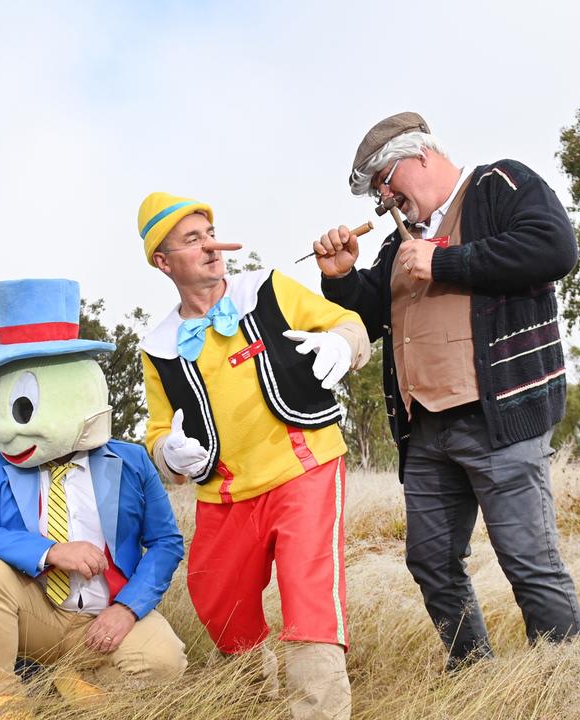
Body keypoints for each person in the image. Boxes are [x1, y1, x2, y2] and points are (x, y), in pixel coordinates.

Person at [311, 112, 580, 668]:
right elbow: (370, 317)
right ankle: (475, 676)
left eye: (385, 180)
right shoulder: (396, 246)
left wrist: (446, 260)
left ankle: (569, 687)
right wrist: (341, 276)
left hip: (499, 419)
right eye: (376, 191)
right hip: (427, 432)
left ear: (420, 157)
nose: (384, 197)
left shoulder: (498, 185)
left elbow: (555, 248)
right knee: (432, 563)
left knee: (528, 560)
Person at [137, 192, 370, 720]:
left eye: (212, 234)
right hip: (224, 491)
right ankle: (251, 700)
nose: (211, 247)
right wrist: (169, 454)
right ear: (163, 261)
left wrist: (341, 345)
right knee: (216, 598)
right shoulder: (157, 345)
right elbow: (156, 430)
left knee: (308, 596)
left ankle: (318, 712)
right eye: (193, 240)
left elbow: (349, 324)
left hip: (303, 467)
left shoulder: (266, 288)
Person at [0, 278, 187, 719]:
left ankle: (63, 681)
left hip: (105, 614)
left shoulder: (131, 461)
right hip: (37, 612)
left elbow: (166, 543)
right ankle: (1, 698)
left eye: (20, 411)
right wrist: (51, 552)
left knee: (165, 665)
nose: (5, 430)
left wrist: (127, 610)